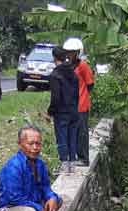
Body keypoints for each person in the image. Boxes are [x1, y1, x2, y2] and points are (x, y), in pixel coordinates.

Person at [0, 125, 62, 211]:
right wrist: (37, 207)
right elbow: (14, 198)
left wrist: (52, 197)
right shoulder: (14, 166)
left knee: (56, 201)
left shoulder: (39, 163)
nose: (35, 148)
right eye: (30, 144)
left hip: (27, 205)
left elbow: (45, 187)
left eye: (38, 144)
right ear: (20, 144)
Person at [47, 46, 79, 174]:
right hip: (74, 110)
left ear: (54, 58)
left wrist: (50, 111)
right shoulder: (73, 73)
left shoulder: (55, 75)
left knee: (62, 138)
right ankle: (72, 165)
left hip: (62, 112)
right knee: (72, 137)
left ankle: (64, 166)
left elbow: (56, 97)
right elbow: (77, 93)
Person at [64, 38, 94, 166]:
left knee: (82, 133)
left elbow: (90, 84)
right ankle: (75, 156)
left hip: (81, 104)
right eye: (68, 52)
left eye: (72, 52)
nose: (69, 54)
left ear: (78, 53)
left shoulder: (83, 66)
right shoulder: (69, 66)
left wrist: (82, 95)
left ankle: (84, 158)